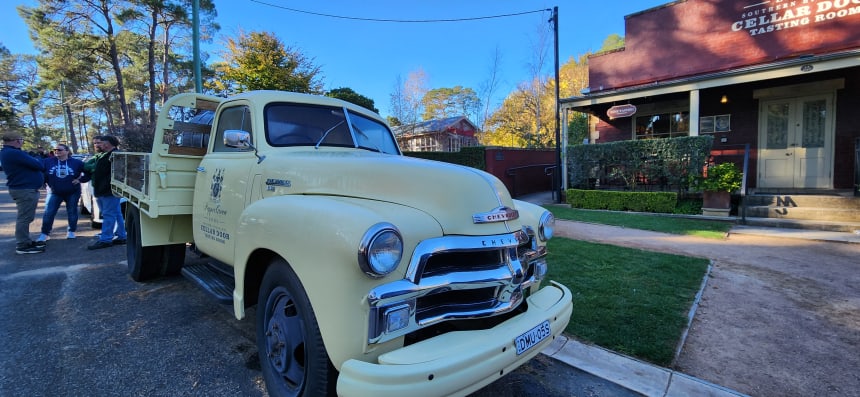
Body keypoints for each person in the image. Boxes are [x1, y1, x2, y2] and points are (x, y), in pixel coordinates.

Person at [0, 131, 47, 254]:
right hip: (24, 189)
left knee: (25, 217)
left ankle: (25, 241)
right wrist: (38, 157)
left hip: (23, 188)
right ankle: (22, 245)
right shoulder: (13, 153)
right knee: (24, 218)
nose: (22, 142)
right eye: (21, 139)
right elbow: (39, 165)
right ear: (17, 140)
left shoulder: (9, 152)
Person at [37, 143, 89, 241]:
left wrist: (80, 180)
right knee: (49, 212)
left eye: (60, 150)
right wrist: (42, 182)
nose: (57, 151)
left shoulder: (77, 163)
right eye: (55, 149)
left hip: (72, 191)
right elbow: (39, 171)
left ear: (67, 151)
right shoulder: (47, 161)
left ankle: (71, 231)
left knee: (72, 211)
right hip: (54, 192)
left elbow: (89, 172)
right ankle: (45, 234)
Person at [88, 135, 127, 250]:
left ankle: (106, 239)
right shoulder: (105, 155)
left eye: (102, 142)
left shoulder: (116, 155)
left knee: (108, 215)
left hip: (109, 191)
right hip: (102, 190)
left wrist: (108, 186)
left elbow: (117, 174)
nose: (100, 145)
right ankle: (121, 236)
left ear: (108, 143)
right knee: (116, 213)